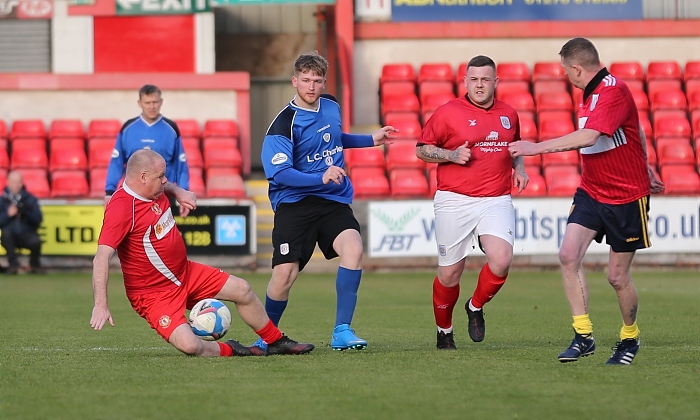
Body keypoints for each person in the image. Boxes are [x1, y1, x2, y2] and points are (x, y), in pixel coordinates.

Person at [509, 38, 665, 365]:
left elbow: (590, 136)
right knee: (568, 255)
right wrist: (646, 161)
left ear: (577, 68)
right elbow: (633, 130)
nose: (567, 77)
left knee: (617, 277)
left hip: (625, 196)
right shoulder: (590, 93)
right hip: (592, 191)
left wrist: (534, 147)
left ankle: (629, 337)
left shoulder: (613, 90)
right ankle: (583, 336)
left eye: (567, 72)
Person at [90, 149, 314, 358]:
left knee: (242, 289)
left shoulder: (153, 188)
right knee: (190, 345)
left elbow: (166, 186)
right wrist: (101, 304)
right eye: (161, 176)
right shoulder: (121, 208)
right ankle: (233, 350)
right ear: (143, 177)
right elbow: (101, 257)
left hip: (186, 273)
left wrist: (179, 191)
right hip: (154, 294)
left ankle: (275, 341)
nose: (165, 180)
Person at [258, 51, 396, 351]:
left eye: (316, 81)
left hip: (331, 199)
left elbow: (334, 137)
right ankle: (266, 337)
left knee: (354, 247)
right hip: (294, 202)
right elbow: (280, 174)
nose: (310, 86)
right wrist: (318, 177)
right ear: (294, 80)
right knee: (284, 275)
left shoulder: (331, 105)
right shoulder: (283, 124)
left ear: (324, 82)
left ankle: (342, 331)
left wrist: (370, 140)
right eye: (305, 80)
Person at [416, 55, 528, 350]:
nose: (480, 85)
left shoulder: (509, 113)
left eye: (486, 79)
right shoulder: (448, 112)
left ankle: (475, 306)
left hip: (496, 198)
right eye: (474, 79)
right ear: (465, 82)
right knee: (450, 273)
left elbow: (514, 146)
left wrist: (520, 168)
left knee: (502, 260)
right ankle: (444, 331)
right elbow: (423, 149)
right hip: (455, 199)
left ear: (495, 82)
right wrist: (451, 155)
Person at [105, 84, 189, 214]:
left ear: (161, 102)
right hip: (134, 196)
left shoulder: (171, 129)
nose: (152, 106)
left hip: (163, 195)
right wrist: (109, 191)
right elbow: (116, 162)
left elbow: (181, 164)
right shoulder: (128, 128)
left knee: (163, 233)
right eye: (148, 102)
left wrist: (183, 191)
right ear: (140, 103)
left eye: (155, 102)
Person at [0, 171, 44, 274]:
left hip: (26, 233)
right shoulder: (2, 201)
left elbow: (38, 220)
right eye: (14, 182)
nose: (17, 185)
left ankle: (34, 266)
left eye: (19, 182)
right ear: (8, 182)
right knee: (6, 235)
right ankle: (13, 266)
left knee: (36, 241)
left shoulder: (30, 199)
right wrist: (8, 215)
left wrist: (25, 213)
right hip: (9, 235)